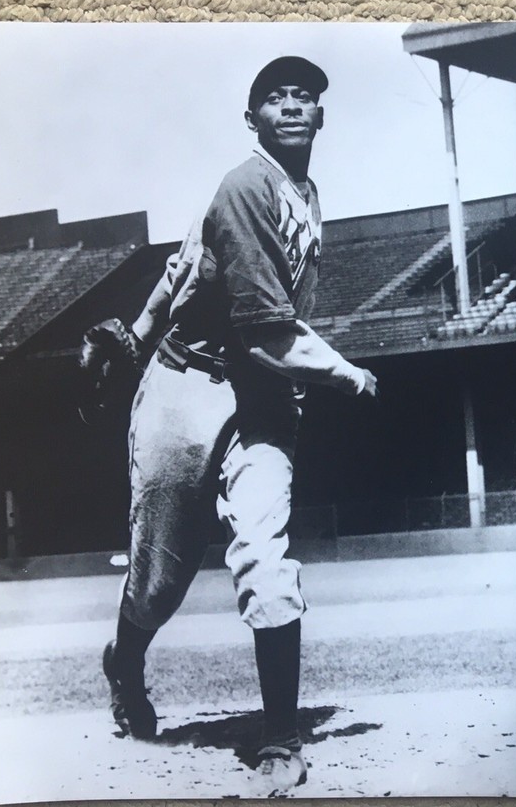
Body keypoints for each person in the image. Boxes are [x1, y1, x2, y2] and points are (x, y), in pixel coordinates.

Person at [98, 56, 378, 796]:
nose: (291, 106)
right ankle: (124, 662)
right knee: (160, 581)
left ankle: (281, 737)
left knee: (263, 553)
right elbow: (263, 333)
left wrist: (138, 321)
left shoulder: (303, 192)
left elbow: (188, 259)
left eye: (305, 97)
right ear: (251, 117)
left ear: (321, 116)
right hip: (187, 383)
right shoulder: (246, 183)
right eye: (274, 97)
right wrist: (346, 372)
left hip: (258, 396)